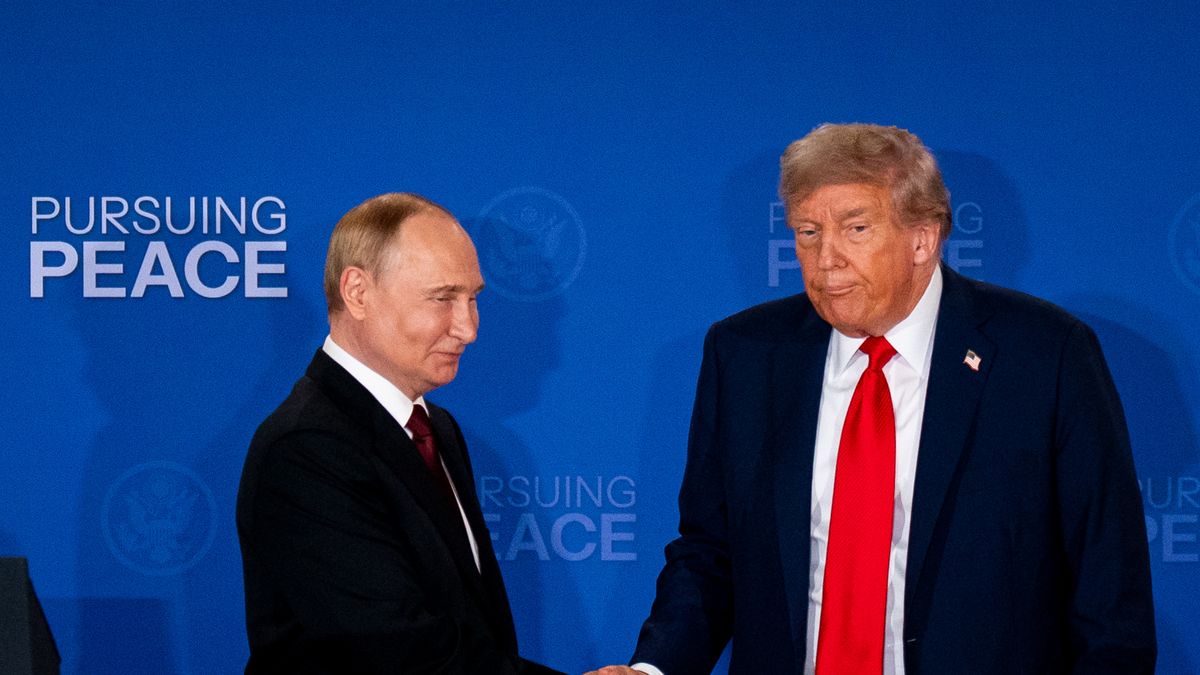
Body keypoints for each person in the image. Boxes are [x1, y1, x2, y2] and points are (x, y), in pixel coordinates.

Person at [589, 124, 1155, 675]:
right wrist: (652, 669)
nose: (826, 257)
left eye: (855, 229)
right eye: (808, 232)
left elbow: (1109, 585)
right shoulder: (744, 355)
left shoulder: (1044, 354)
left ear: (923, 239)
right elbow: (710, 553)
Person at [237, 193, 561, 674]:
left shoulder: (436, 428)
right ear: (358, 293)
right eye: (443, 298)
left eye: (473, 299)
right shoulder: (307, 448)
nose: (468, 327)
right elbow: (397, 651)